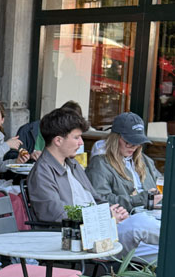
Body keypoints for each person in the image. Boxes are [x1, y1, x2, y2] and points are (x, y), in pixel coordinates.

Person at [28, 107, 159, 259]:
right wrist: (105, 217)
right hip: (79, 239)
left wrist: (114, 211)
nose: (81, 142)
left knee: (162, 253)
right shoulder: (42, 173)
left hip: (101, 231)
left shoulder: (72, 164)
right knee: (140, 223)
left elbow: (97, 198)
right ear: (58, 140)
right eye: (76, 137)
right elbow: (57, 215)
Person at [87, 113, 161, 213]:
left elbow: (161, 186)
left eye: (138, 142)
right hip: (125, 219)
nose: (134, 146)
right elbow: (101, 199)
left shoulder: (145, 160)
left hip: (153, 215)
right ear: (115, 139)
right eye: (129, 141)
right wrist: (139, 200)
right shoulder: (100, 164)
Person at [16, 100, 84, 160]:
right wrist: (30, 156)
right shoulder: (27, 130)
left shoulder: (76, 140)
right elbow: (11, 157)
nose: (81, 142)